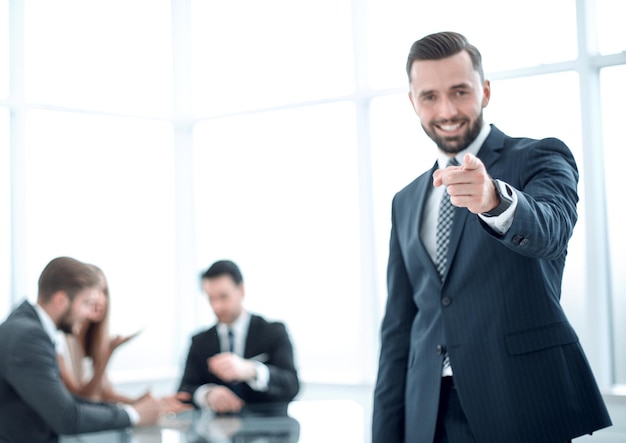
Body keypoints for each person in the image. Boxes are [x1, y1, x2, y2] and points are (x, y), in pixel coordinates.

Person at [372, 31, 612, 443]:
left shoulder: (539, 157)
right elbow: (399, 328)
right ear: (413, 102)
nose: (446, 110)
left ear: (484, 91)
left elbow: (550, 229)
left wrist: (494, 200)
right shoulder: (406, 200)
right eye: (429, 96)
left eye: (460, 91)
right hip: (427, 415)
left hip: (519, 404)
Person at [0, 256, 189, 443]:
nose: (89, 313)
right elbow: (67, 417)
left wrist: (135, 409)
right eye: (86, 304)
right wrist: (133, 415)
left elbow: (68, 401)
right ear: (61, 300)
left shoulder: (27, 328)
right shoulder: (29, 337)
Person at [177, 259, 300, 414]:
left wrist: (252, 371)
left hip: (267, 432)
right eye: (211, 298)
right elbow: (184, 391)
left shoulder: (273, 332)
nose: (217, 306)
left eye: (223, 297)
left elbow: (292, 385)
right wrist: (208, 395)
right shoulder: (200, 341)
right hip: (217, 434)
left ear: (241, 290)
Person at [57, 264, 147, 404]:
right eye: (95, 291)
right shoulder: (61, 339)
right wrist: (108, 354)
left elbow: (106, 393)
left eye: (103, 292)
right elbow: (82, 398)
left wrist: (143, 403)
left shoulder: (92, 339)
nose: (99, 300)